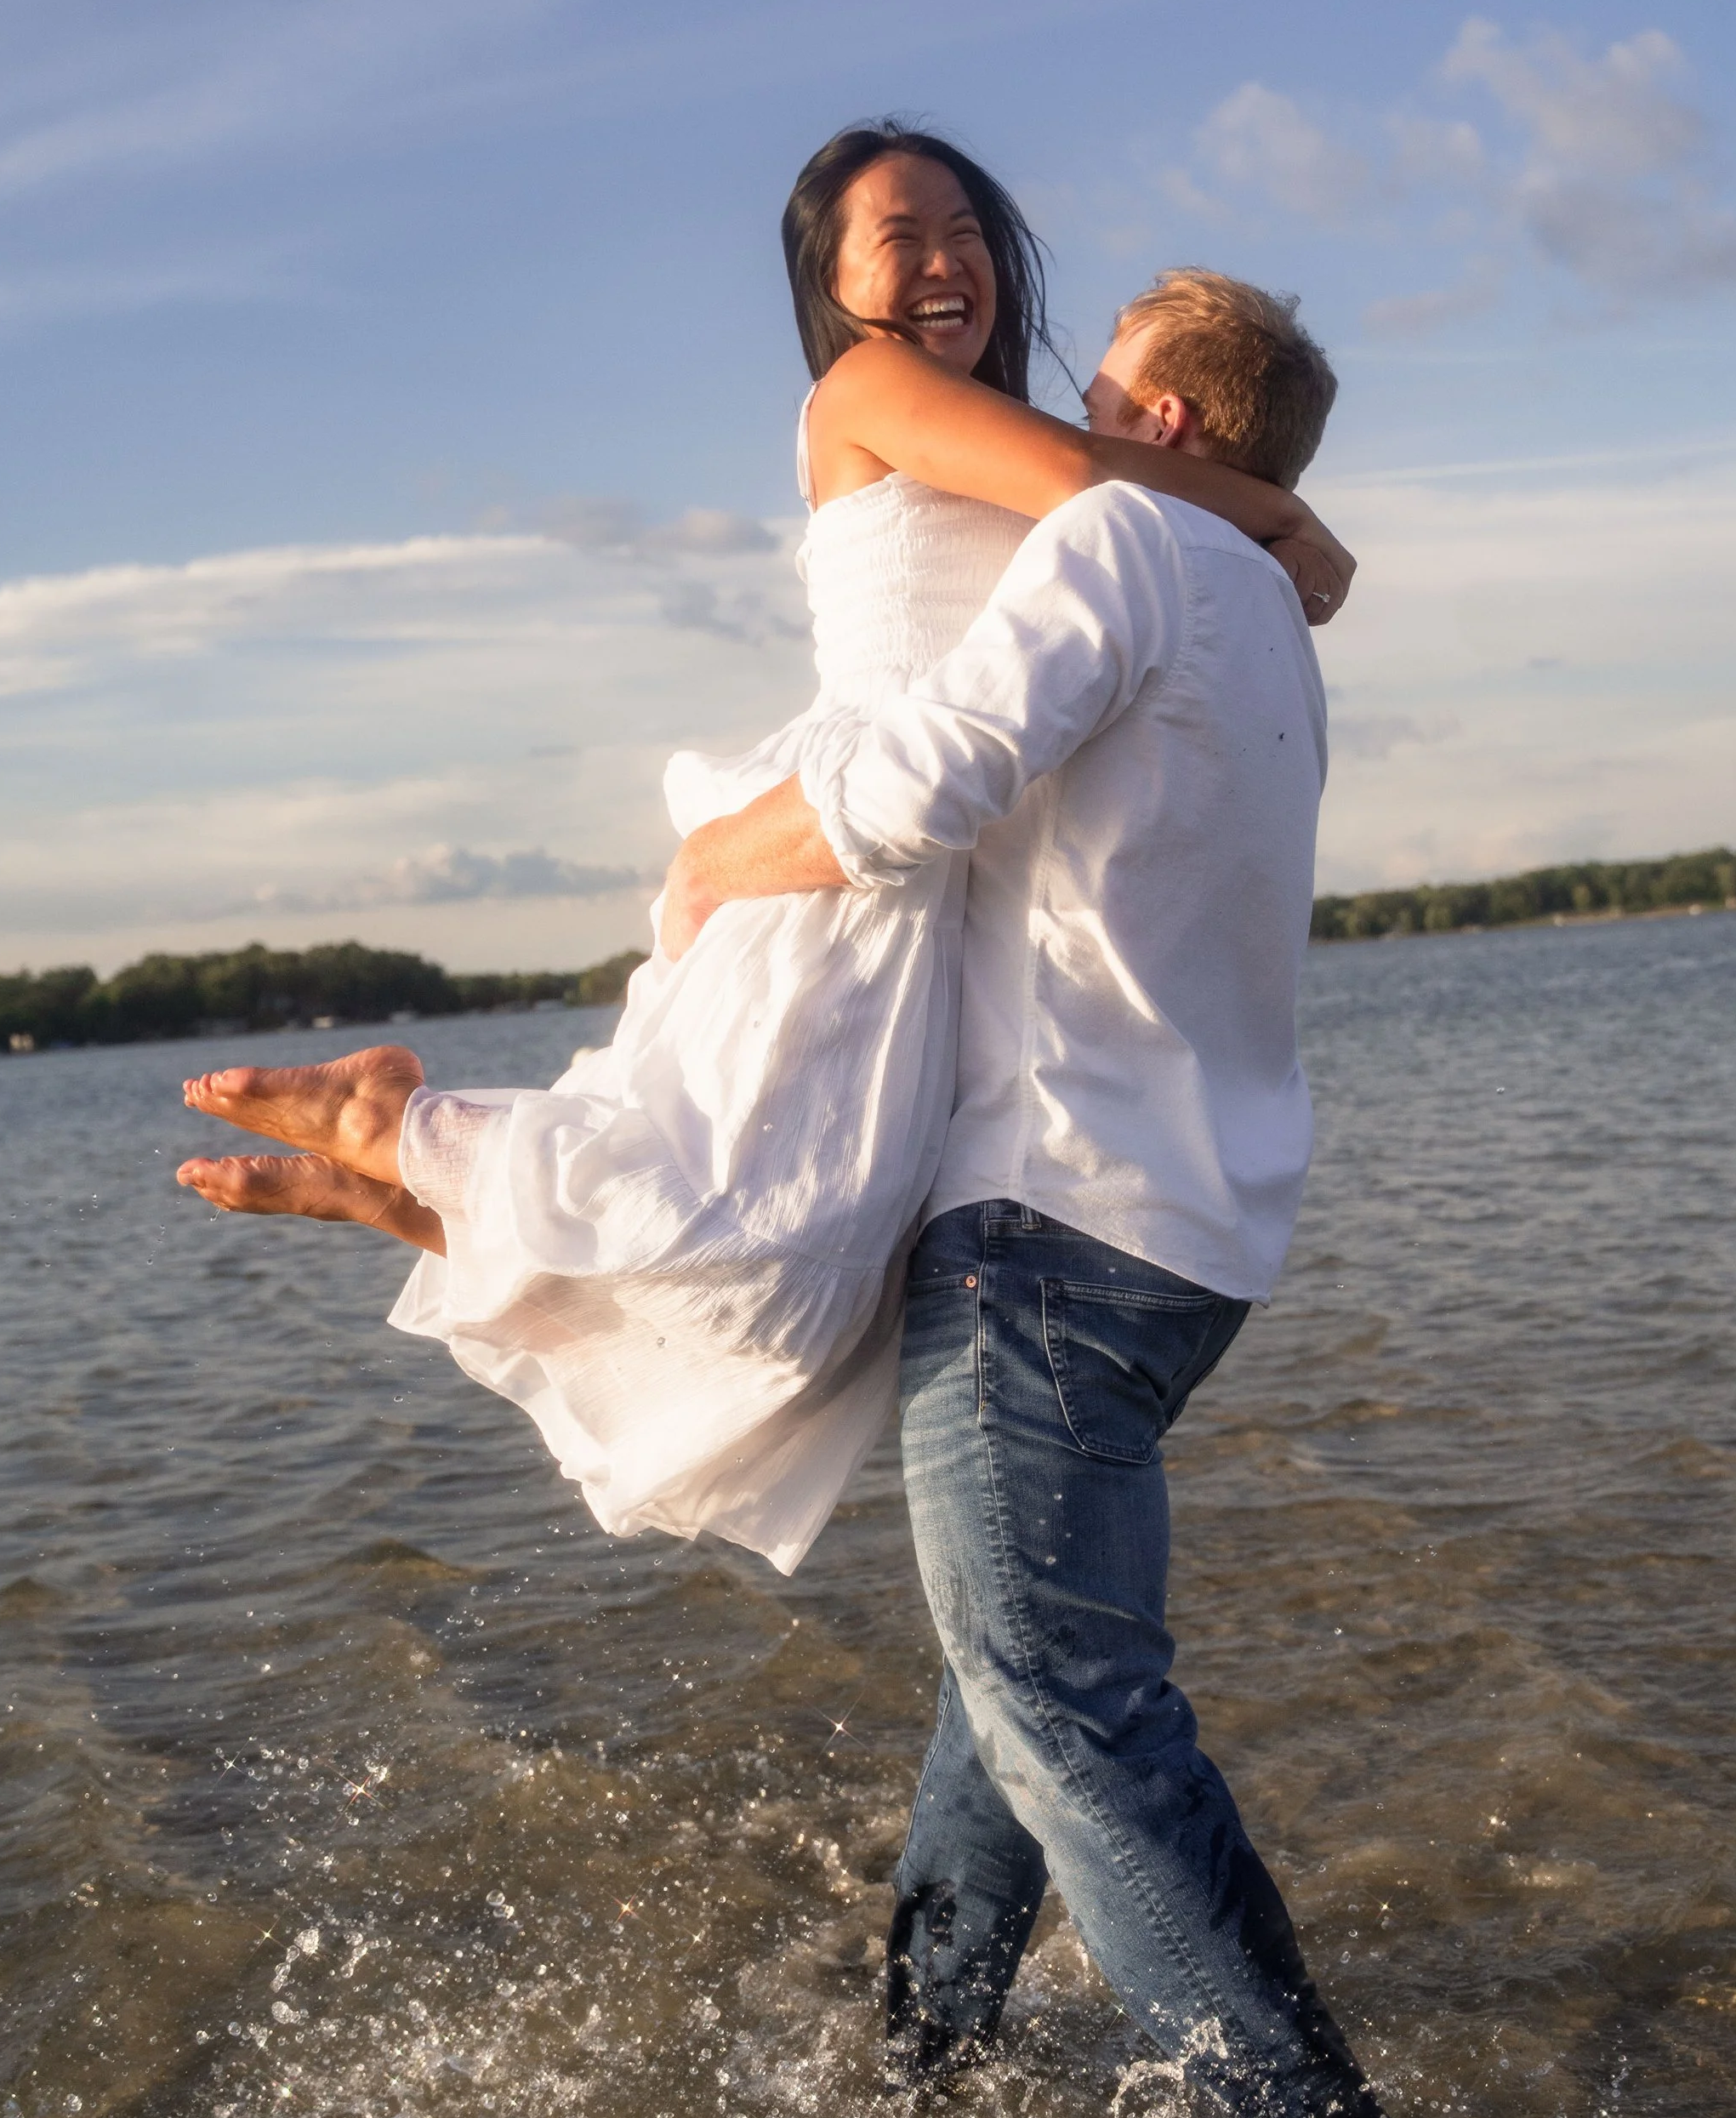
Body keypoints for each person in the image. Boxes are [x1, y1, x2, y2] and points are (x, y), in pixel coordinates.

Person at [177, 126, 1351, 1580]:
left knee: (802, 1273)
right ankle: (400, 1137)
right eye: (900, 236)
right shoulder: (871, 388)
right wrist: (1284, 512)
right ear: (834, 282)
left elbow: (1103, 487)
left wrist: (1241, 522)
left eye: (967, 229)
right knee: (734, 1220)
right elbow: (1082, 469)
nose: (944, 260)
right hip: (848, 834)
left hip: (933, 884)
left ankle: (406, 1191)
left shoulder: (1084, 477)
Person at [655, 263, 1450, 2118]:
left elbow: (925, 777)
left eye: (1100, 395)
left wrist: (714, 862)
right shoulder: (1270, 613)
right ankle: (917, 2067)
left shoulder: (1120, 537)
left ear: (1168, 428)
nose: (1065, 429)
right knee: (994, 1676)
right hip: (1197, 1241)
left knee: (1064, 1707)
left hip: (1047, 1220)